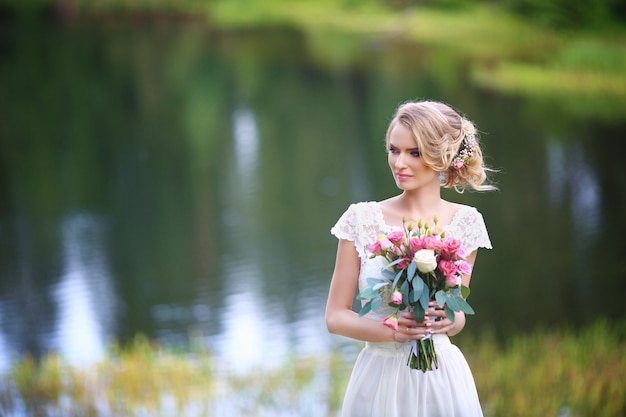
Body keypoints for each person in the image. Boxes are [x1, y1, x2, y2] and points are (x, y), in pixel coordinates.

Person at [325, 100, 496, 417]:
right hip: (378, 378)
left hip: (440, 377)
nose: (399, 162)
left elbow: (457, 312)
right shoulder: (361, 220)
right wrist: (392, 332)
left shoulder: (467, 223)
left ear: (442, 156)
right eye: (394, 150)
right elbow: (335, 317)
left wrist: (449, 320)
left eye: (414, 153)